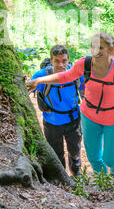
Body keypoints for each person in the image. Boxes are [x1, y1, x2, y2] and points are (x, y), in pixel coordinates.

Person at [27, 33, 114, 177]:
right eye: (93, 47)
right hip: (89, 116)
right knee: (93, 157)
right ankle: (103, 181)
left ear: (111, 49)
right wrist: (39, 80)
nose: (96, 52)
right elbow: (65, 76)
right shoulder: (84, 64)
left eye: (100, 48)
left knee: (109, 157)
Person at [30, 45, 84, 177]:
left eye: (64, 61)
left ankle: (76, 174)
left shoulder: (76, 73)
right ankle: (61, 177)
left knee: (75, 151)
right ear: (51, 60)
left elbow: (84, 92)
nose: (61, 65)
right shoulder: (41, 76)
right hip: (52, 121)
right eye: (57, 61)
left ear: (68, 60)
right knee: (56, 152)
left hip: (74, 119)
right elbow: (27, 88)